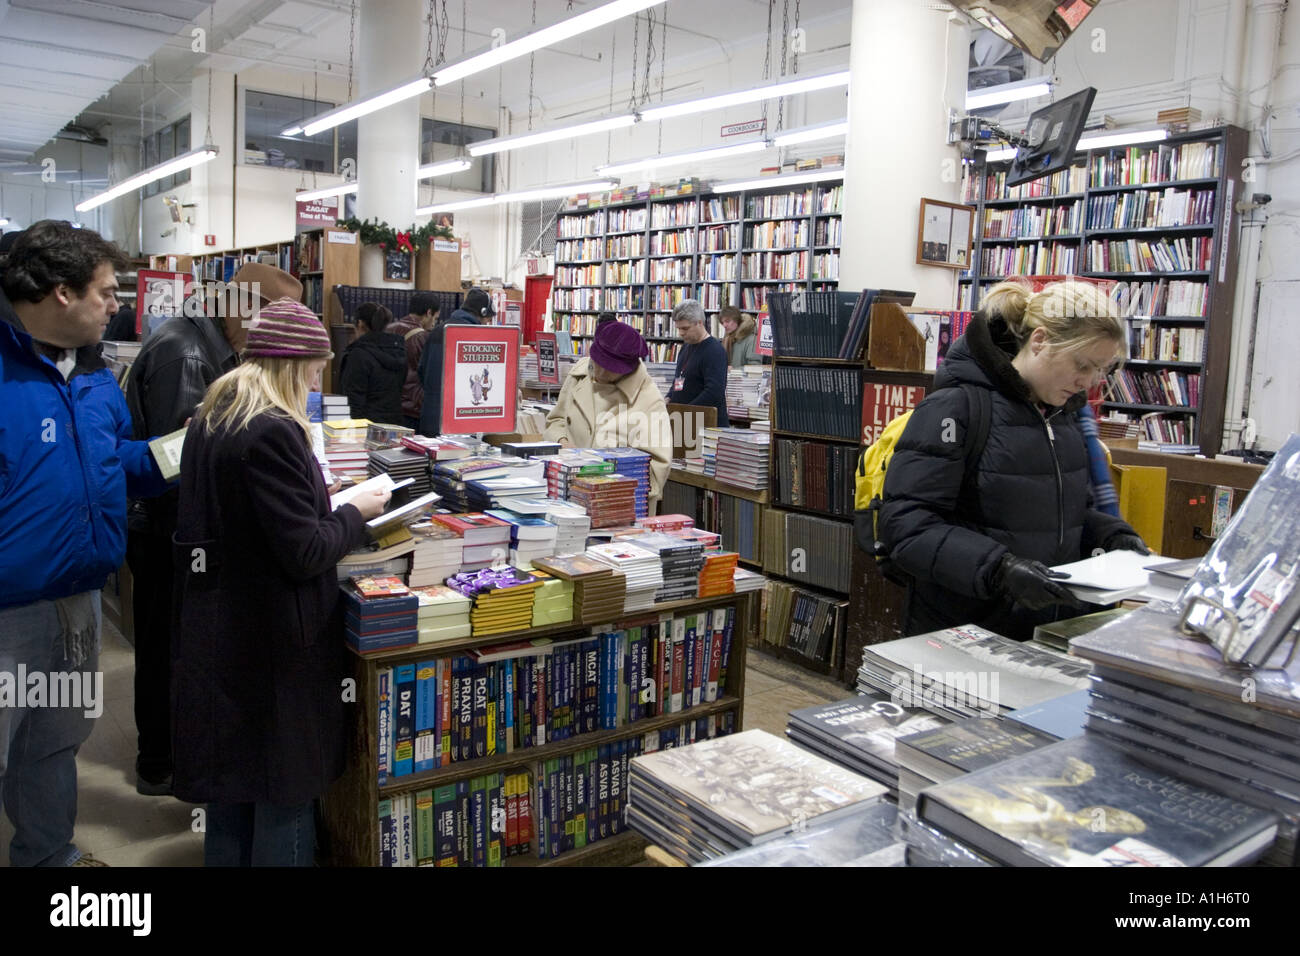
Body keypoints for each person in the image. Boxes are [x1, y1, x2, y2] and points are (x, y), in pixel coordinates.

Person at [171, 298, 391, 866]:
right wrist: (356, 511)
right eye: (316, 370)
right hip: (272, 643)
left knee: (232, 793)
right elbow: (305, 551)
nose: (317, 383)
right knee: (285, 794)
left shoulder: (214, 414)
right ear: (294, 365)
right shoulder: (272, 431)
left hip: (222, 633)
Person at [0, 220, 169, 866]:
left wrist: (189, 448)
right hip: (8, 610)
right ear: (61, 293)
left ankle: (48, 858)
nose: (118, 303)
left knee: (54, 741)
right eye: (106, 291)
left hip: (80, 600)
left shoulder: (96, 373)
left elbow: (114, 459)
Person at [878, 279, 1148, 641]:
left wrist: (1113, 537)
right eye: (1082, 365)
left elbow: (1065, 516)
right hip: (964, 636)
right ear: (1039, 341)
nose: (1089, 382)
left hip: (1046, 633)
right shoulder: (955, 409)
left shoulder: (1063, 417)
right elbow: (906, 527)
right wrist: (999, 569)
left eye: (1100, 371)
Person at [123, 261, 301, 796]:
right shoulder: (188, 353)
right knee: (166, 644)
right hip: (165, 530)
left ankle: (168, 755)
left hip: (174, 527)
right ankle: (160, 761)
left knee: (172, 642)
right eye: (271, 321)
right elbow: (184, 461)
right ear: (244, 310)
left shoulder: (207, 345)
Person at [545, 320, 673, 510]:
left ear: (629, 368)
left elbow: (656, 471)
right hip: (565, 494)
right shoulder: (579, 374)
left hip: (617, 507)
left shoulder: (649, 400)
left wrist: (605, 480)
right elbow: (555, 421)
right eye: (599, 363)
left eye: (612, 369)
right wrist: (562, 442)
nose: (601, 372)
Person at [418, 287, 492, 436]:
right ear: (482, 313)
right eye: (488, 320)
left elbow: (421, 370)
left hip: (430, 415)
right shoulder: (476, 336)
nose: (487, 324)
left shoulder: (438, 330)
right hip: (461, 420)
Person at [666, 298, 729, 427]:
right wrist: (668, 398)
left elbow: (714, 392)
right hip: (684, 423)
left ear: (699, 323)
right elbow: (678, 381)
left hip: (706, 425)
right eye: (678, 328)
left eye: (685, 328)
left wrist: (684, 412)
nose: (681, 333)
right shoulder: (685, 347)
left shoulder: (714, 350)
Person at [339, 302, 405, 424]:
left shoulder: (358, 354)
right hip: (395, 423)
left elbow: (353, 399)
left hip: (365, 426)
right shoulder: (400, 351)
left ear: (360, 323)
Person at [387, 292, 440, 429]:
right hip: (413, 407)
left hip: (390, 403)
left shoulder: (389, 328)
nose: (434, 323)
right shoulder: (421, 337)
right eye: (435, 318)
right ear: (428, 313)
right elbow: (425, 374)